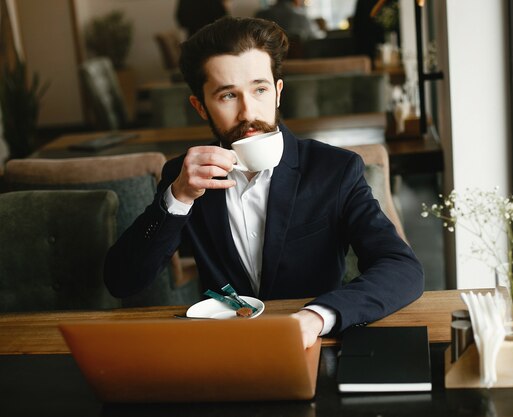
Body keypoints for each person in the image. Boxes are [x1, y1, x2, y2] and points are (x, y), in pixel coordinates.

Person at [104, 16, 424, 348]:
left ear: (278, 92)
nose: (248, 111)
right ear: (200, 107)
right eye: (228, 96)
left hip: (314, 345)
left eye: (259, 89)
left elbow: (402, 268)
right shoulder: (184, 176)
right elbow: (122, 282)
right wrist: (179, 197)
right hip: (225, 350)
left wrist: (317, 317)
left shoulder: (334, 169)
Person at [254, 0, 322, 42]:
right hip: (296, 62)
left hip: (268, 60)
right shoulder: (302, 18)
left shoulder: (260, 15)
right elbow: (316, 39)